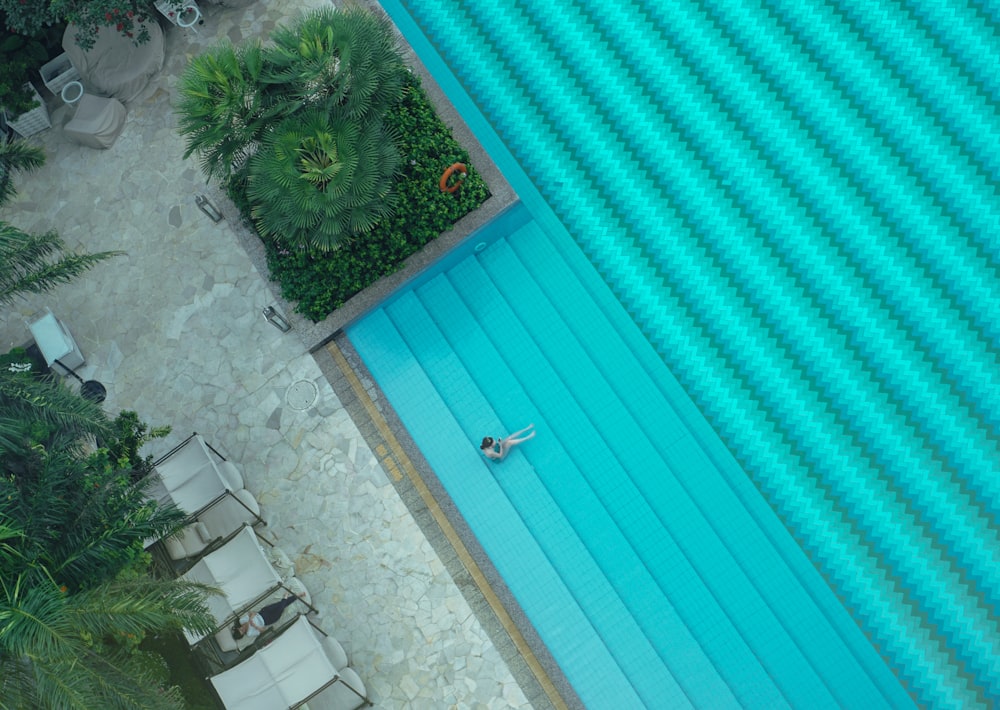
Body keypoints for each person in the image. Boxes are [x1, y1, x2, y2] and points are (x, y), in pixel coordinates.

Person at [232, 592, 304, 639]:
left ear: (238, 628)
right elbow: (263, 630)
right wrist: (255, 626)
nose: (242, 630)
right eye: (242, 632)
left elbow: (252, 612)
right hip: (268, 620)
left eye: (240, 630)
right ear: (243, 634)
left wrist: (250, 618)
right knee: (281, 607)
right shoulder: (249, 633)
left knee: (281, 605)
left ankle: (296, 596)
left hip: (263, 612)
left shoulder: (242, 621)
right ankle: (285, 597)